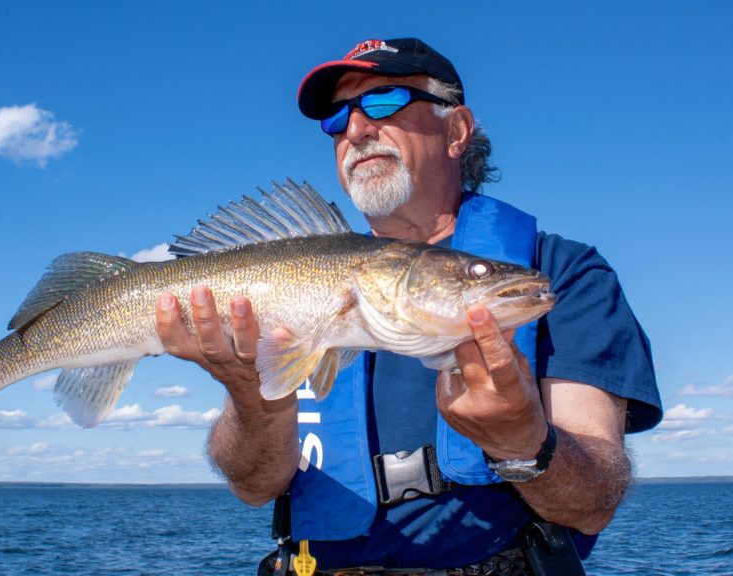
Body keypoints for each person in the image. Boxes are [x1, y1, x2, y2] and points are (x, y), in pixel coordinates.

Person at [155, 38, 662, 574]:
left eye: (382, 101)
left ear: (457, 129)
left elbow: (594, 502)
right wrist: (251, 397)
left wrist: (523, 442)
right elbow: (253, 486)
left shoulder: (563, 272)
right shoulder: (297, 287)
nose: (355, 129)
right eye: (336, 118)